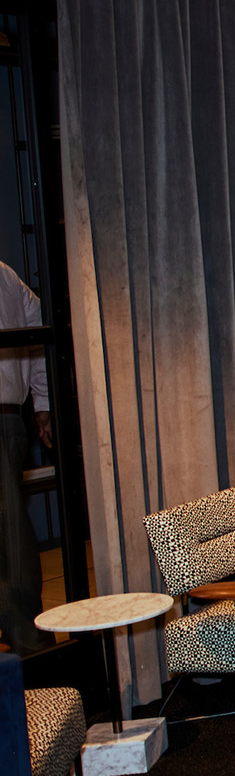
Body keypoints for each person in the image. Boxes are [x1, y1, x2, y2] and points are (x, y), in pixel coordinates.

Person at [0, 262, 50, 654]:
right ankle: (27, 638)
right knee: (9, 527)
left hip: (3, 414)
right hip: (7, 416)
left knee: (9, 531)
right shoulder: (6, 274)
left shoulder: (5, 276)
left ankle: (28, 641)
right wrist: (42, 403)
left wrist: (43, 401)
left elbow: (37, 332)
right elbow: (37, 333)